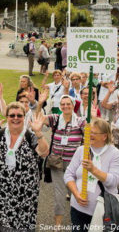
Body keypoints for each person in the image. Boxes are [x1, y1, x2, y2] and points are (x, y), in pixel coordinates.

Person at [0, 103, 49, 231]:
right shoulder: (0, 134)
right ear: (7, 117)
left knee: (23, 224)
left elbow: (44, 152)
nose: (15, 118)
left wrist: (39, 132)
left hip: (25, 193)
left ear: (24, 117)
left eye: (19, 115)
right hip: (1, 191)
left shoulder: (30, 136)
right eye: (12, 115)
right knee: (3, 223)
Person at [64, 119, 119, 231]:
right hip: (77, 209)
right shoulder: (81, 150)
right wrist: (76, 194)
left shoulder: (115, 154)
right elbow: (68, 174)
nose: (89, 135)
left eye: (93, 133)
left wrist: (94, 170)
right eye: (88, 132)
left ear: (104, 136)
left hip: (103, 211)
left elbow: (114, 181)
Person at [38, 94, 85, 226]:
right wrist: (40, 104)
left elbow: (90, 133)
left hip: (74, 165)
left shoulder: (80, 121)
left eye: (68, 104)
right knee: (59, 195)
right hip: (56, 163)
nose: (65, 106)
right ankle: (57, 224)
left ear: (73, 105)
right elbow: (38, 119)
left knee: (76, 193)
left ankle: (79, 219)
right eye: (62, 104)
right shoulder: (56, 119)